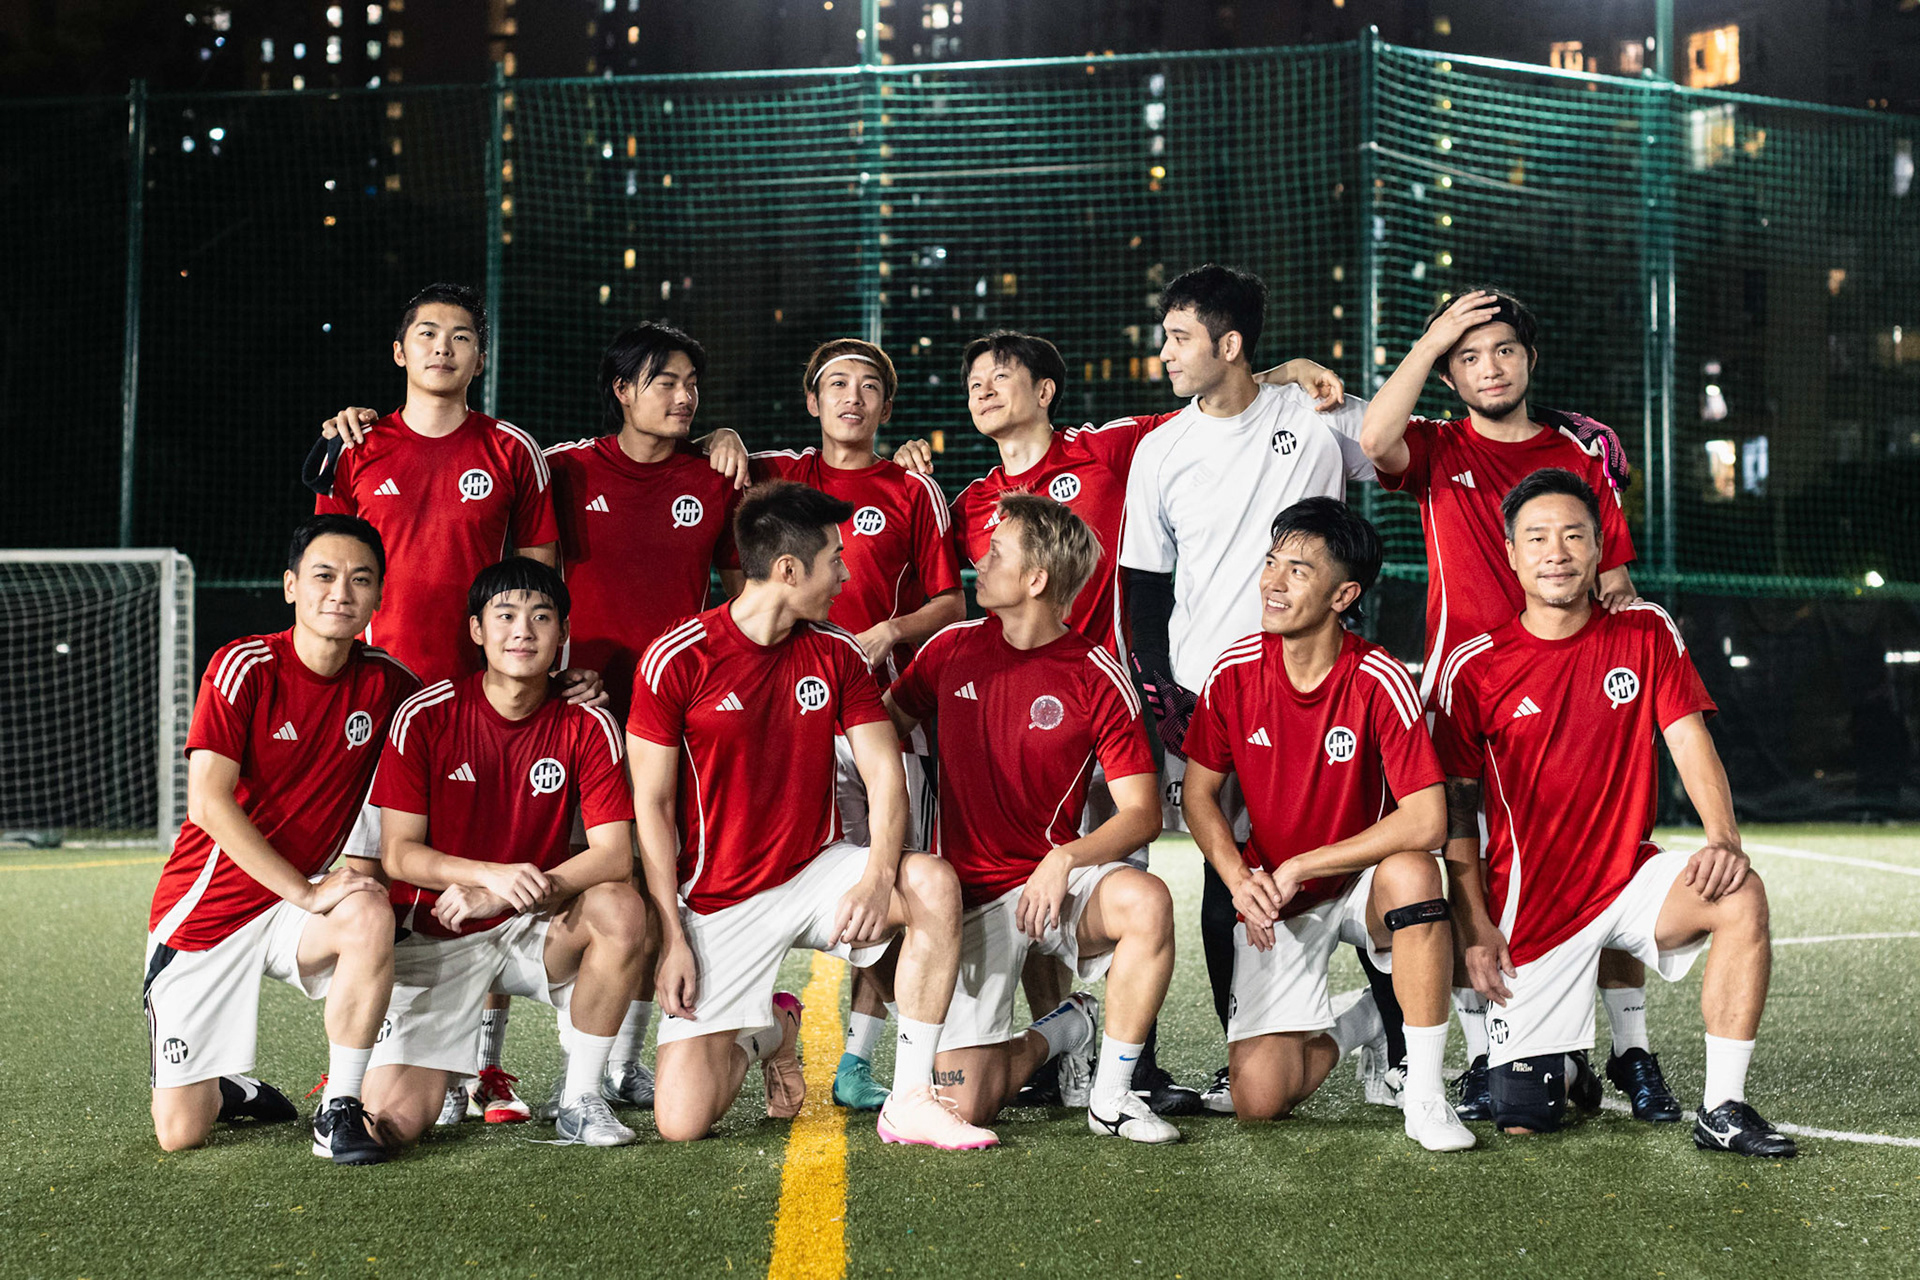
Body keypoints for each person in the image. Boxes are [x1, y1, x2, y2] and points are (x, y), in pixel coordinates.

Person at [896, 328, 1342, 1114]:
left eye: (1002, 376)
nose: (982, 389)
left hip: (1110, 709)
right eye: (972, 381)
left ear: (1046, 391)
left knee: (1125, 885)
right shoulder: (969, 503)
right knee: (1027, 867)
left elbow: (1215, 394)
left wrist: (1277, 372)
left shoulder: (1110, 450)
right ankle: (1052, 1037)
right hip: (1016, 716)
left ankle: (1134, 1064)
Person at [1360, 288, 1669, 1124]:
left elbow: (1614, 581)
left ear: (1531, 359)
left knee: (1608, 858)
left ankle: (1632, 1048)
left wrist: (1625, 683)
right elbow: (1372, 438)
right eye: (1467, 357)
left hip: (1574, 697)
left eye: (1501, 350)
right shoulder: (1436, 445)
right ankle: (1487, 1051)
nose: (1486, 367)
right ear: (1449, 373)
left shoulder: (1578, 449)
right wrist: (1431, 341)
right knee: (1469, 871)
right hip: (1468, 698)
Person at [303, 283, 597, 1126]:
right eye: (426, 334)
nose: (442, 348)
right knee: (368, 881)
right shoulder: (355, 449)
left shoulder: (512, 450)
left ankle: (486, 1068)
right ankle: (348, 1070)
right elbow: (329, 569)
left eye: (461, 336)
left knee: (492, 868)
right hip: (373, 706)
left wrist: (554, 672)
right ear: (400, 352)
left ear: (480, 355)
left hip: (476, 706)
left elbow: (541, 581)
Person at [1433, 468, 1793, 1157]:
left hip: (1629, 881)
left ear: (1600, 549)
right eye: (1536, 537)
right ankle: (1566, 1064)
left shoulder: (1644, 631)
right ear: (1509, 553)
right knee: (1522, 1116)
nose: (1556, 551)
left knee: (1740, 894)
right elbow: (1458, 810)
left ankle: (1723, 1107)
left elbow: (1688, 736)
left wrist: (1724, 838)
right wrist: (1475, 921)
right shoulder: (1473, 667)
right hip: (1532, 910)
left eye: (1573, 535)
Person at [627, 481, 992, 1149]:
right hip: (717, 897)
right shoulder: (675, 659)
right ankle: (774, 1031)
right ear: (788, 569)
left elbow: (885, 774)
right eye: (835, 560)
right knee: (681, 1122)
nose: (845, 574)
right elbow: (650, 807)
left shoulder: (835, 653)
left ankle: (911, 1096)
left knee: (933, 881)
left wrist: (881, 874)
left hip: (817, 868)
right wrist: (671, 930)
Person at [1118, 264, 1393, 1116]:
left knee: (1381, 857)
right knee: (1221, 870)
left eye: (1179, 337)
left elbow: (1403, 443)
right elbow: (1141, 586)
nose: (1163, 353)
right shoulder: (1160, 450)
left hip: (1322, 692)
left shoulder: (1316, 418)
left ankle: (1401, 1050)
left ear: (1230, 345)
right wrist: (1160, 688)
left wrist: (1302, 369)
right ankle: (1243, 1028)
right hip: (1212, 697)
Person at [1180, 498, 1474, 1152]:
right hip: (1280, 897)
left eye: (1299, 570)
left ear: (1344, 594)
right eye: (1271, 563)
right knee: (1259, 1100)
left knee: (1412, 871)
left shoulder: (1378, 678)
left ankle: (1424, 1094)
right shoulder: (1232, 672)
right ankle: (1362, 1022)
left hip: (1360, 886)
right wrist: (1238, 877)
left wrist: (1306, 863)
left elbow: (1426, 817)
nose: (1273, 583)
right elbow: (1198, 796)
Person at [885, 493, 1179, 1143]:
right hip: (969, 894)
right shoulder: (949, 651)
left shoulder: (1097, 675)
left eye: (995, 555)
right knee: (966, 1107)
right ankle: (1067, 1027)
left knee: (1149, 902)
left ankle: (1112, 1097)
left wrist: (1067, 856)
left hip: (1054, 882)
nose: (979, 565)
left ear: (1036, 580)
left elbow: (1142, 813)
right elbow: (881, 730)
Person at [145, 515, 419, 1164]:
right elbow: (208, 801)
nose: (341, 593)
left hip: (296, 911)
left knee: (369, 912)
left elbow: (472, 716)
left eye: (360, 580)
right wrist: (308, 888)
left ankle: (340, 1109)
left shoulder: (388, 685)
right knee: (179, 1134)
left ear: (380, 596)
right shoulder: (245, 666)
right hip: (207, 911)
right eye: (323, 576)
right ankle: (225, 1087)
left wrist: (565, 686)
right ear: (291, 586)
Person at [362, 557, 651, 1148]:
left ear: (563, 634)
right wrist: (484, 876)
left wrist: (498, 891)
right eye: (506, 615)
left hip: (531, 926)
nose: (523, 630)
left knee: (621, 907)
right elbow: (399, 853)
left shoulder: (587, 722)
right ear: (477, 631)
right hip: (439, 934)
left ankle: (581, 1096)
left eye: (542, 617)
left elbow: (614, 855)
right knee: (391, 1126)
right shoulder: (425, 716)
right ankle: (442, 1071)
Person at [748, 339, 965, 1112]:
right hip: (782, 722)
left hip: (882, 718)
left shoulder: (911, 487)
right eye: (835, 383)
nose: (851, 396)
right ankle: (756, 1020)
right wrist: (720, 440)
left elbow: (952, 604)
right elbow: (716, 479)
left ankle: (861, 1060)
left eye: (868, 386)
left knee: (896, 875)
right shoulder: (776, 477)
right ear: (811, 401)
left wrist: (892, 630)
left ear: (885, 406)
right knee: (764, 861)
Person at [543, 321, 748, 1112]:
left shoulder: (716, 477)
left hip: (675, 720)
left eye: (693, 383)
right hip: (579, 711)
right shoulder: (563, 470)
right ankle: (480, 1065)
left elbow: (739, 598)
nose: (684, 395)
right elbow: (523, 580)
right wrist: (555, 673)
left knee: (658, 878)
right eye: (664, 381)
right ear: (622, 390)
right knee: (552, 869)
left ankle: (621, 1059)